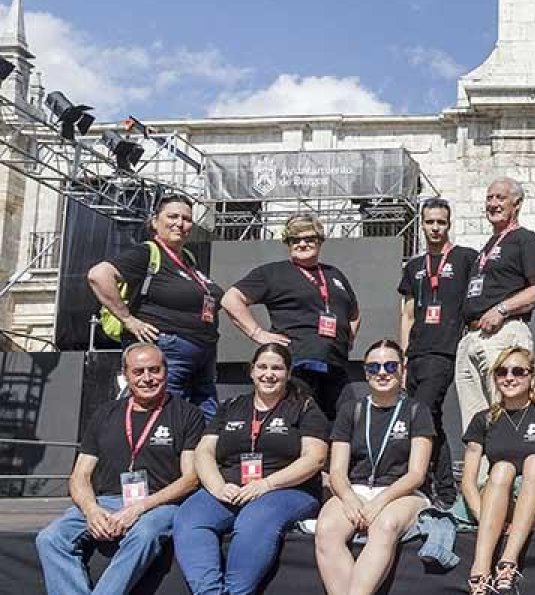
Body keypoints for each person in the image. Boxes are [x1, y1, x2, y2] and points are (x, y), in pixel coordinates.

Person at [36, 343, 205, 595]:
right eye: (138, 372)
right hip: (105, 502)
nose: (147, 378)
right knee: (50, 538)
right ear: (125, 375)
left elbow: (190, 479)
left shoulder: (188, 415)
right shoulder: (105, 413)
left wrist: (138, 508)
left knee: (144, 534)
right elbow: (80, 474)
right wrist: (92, 510)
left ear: (166, 372)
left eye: (154, 370)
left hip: (159, 505)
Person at [172, 343, 330, 595]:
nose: (269, 374)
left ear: (288, 373)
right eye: (263, 367)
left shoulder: (305, 407)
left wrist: (266, 485)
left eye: (277, 368)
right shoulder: (231, 406)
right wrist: (217, 486)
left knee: (253, 520)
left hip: (287, 489)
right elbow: (204, 452)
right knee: (190, 518)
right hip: (230, 487)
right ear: (252, 371)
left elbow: (315, 459)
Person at [316, 339, 435, 595]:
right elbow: (337, 471)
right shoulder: (351, 410)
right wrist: (349, 499)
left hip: (402, 493)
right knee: (326, 529)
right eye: (374, 367)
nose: (382, 372)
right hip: (356, 489)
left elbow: (416, 474)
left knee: (385, 525)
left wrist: (380, 501)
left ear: (402, 369)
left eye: (390, 366)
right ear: (365, 372)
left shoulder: (417, 410)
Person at [88, 194, 223, 418]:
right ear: (155, 221)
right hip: (167, 352)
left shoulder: (188, 259)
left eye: (186, 219)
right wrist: (128, 319)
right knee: (166, 421)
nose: (180, 223)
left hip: (202, 356)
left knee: (205, 425)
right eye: (172, 216)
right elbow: (98, 275)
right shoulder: (146, 253)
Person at [222, 214, 361, 419]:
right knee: (300, 422)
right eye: (295, 240)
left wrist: (347, 339)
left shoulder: (335, 274)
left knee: (346, 422)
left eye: (309, 238)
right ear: (287, 243)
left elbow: (354, 313)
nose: (302, 244)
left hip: (336, 366)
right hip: (298, 364)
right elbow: (231, 299)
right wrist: (257, 332)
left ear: (320, 241)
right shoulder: (273, 273)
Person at [461, 346, 535, 594]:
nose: (509, 378)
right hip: (498, 500)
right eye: (502, 372)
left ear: (531, 376)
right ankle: (480, 568)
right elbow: (468, 481)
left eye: (518, 371)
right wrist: (486, 519)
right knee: (501, 469)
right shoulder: (484, 420)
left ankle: (507, 563)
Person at [398, 197, 478, 506]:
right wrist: (403, 358)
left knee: (421, 414)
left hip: (444, 351)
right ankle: (443, 490)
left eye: (441, 222)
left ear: (449, 224)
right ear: (422, 224)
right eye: (429, 222)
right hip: (416, 353)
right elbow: (406, 314)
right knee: (427, 420)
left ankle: (437, 488)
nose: (435, 228)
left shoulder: (465, 258)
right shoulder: (415, 266)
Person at [455, 177, 535, 430]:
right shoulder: (487, 246)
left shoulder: (525, 239)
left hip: (503, 332)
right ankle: (480, 470)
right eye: (489, 198)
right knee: (474, 424)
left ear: (516, 204)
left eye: (500, 198)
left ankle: (511, 469)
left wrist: (501, 309)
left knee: (505, 411)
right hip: (472, 336)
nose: (493, 203)